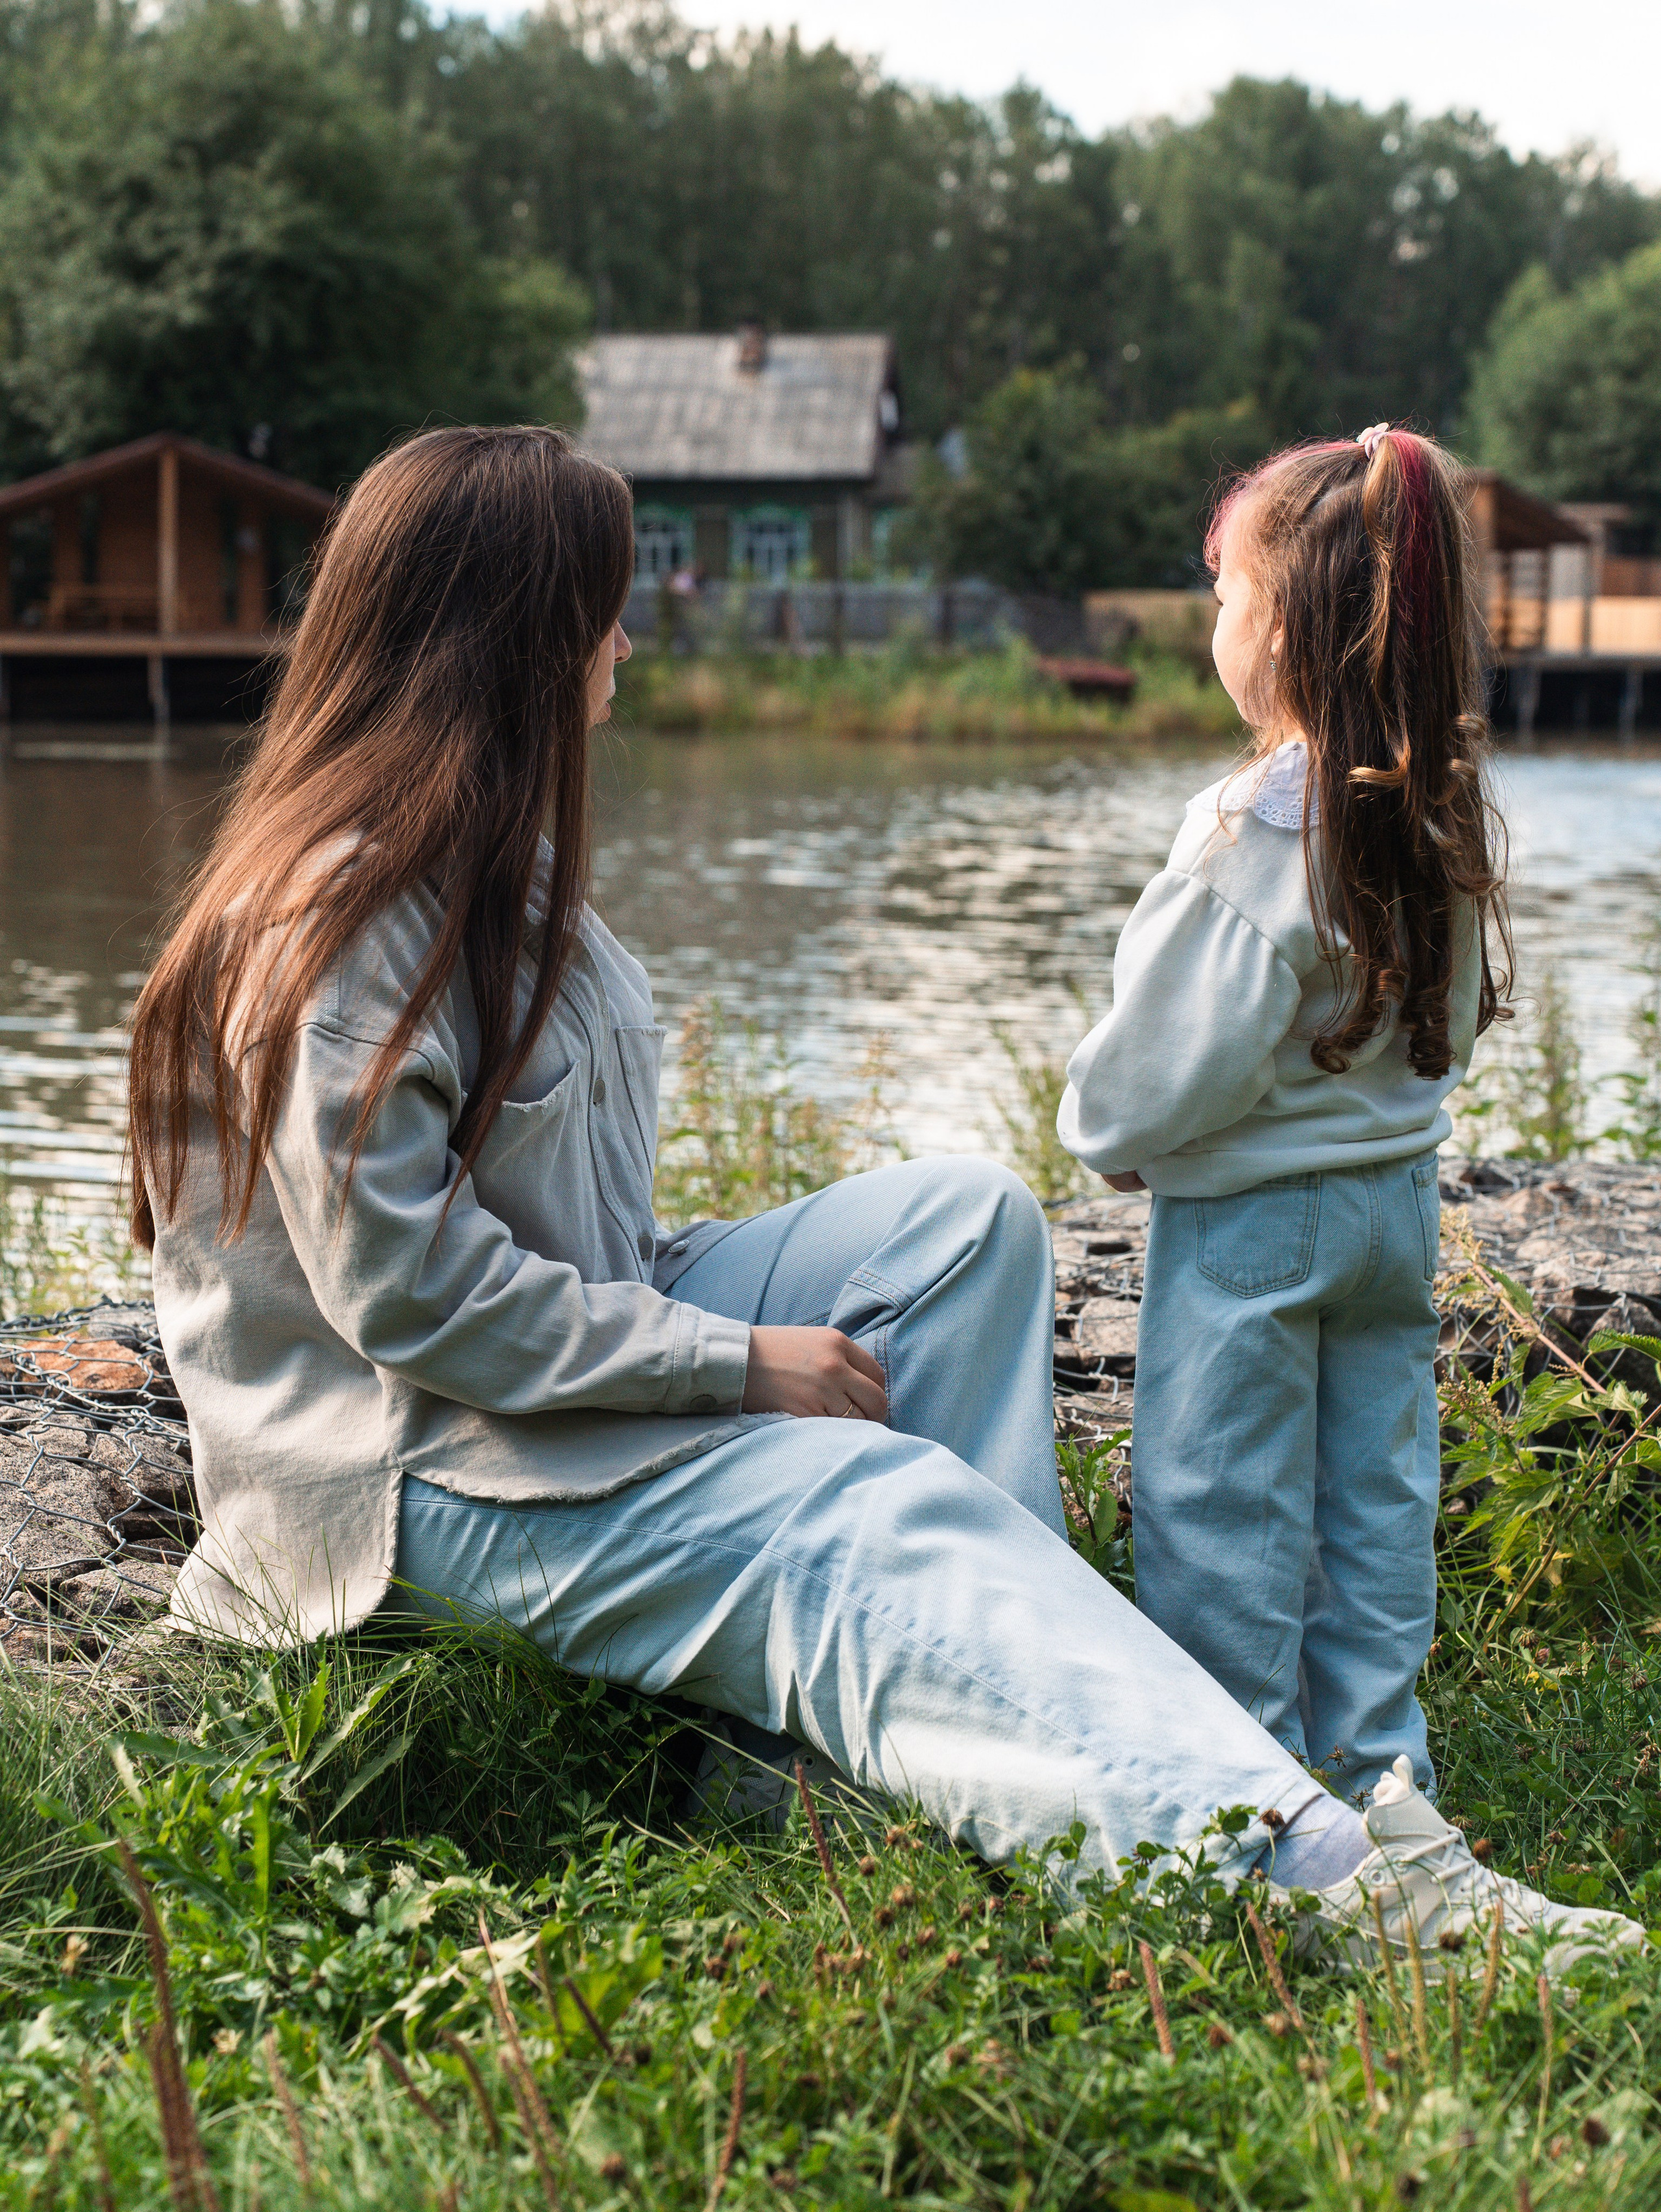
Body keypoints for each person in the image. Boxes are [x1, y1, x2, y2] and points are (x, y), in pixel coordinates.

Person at [128, 424, 1638, 1967]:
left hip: (528, 1369)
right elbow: (412, 1303)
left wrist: (695, 1338)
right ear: (507, 639)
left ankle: (867, 1779)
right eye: (602, 608)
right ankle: (1317, 1884)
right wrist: (727, 1363)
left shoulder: (484, 861)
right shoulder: (338, 922)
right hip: (410, 1472)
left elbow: (559, 1238)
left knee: (966, 1224)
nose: (626, 641)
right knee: (863, 1500)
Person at [1059, 425, 1508, 1811]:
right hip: (1388, 1213)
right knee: (1374, 1502)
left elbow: (1165, 1054)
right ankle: (1379, 1773)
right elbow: (1463, 1005)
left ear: (1287, 630)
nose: (1212, 619)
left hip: (1251, 1228)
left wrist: (1110, 1136)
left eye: (1222, 594)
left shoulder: (1254, 824)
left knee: (1222, 1503)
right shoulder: (1429, 803)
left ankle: (1240, 1794)